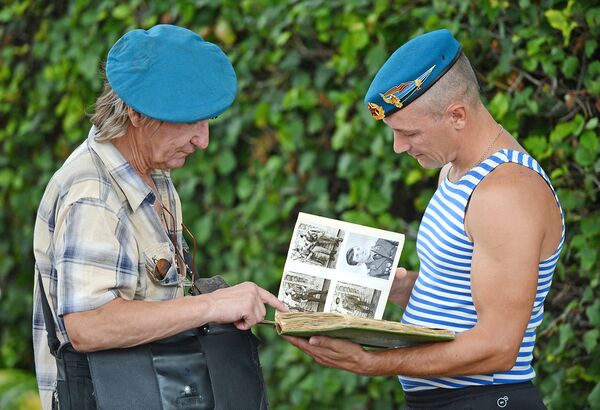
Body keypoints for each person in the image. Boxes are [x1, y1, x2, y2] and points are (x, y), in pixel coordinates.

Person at [283, 29, 563, 409]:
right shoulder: (455, 171)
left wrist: (372, 363)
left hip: (487, 399)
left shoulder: (505, 195)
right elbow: (463, 298)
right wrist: (400, 287)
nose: (399, 147)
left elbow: (499, 347)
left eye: (408, 132)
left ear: (457, 115)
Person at [32, 24, 287, 409]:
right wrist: (210, 306)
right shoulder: (94, 194)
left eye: (208, 122)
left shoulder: (153, 173)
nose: (203, 140)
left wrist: (217, 299)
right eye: (189, 121)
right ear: (135, 114)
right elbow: (88, 325)